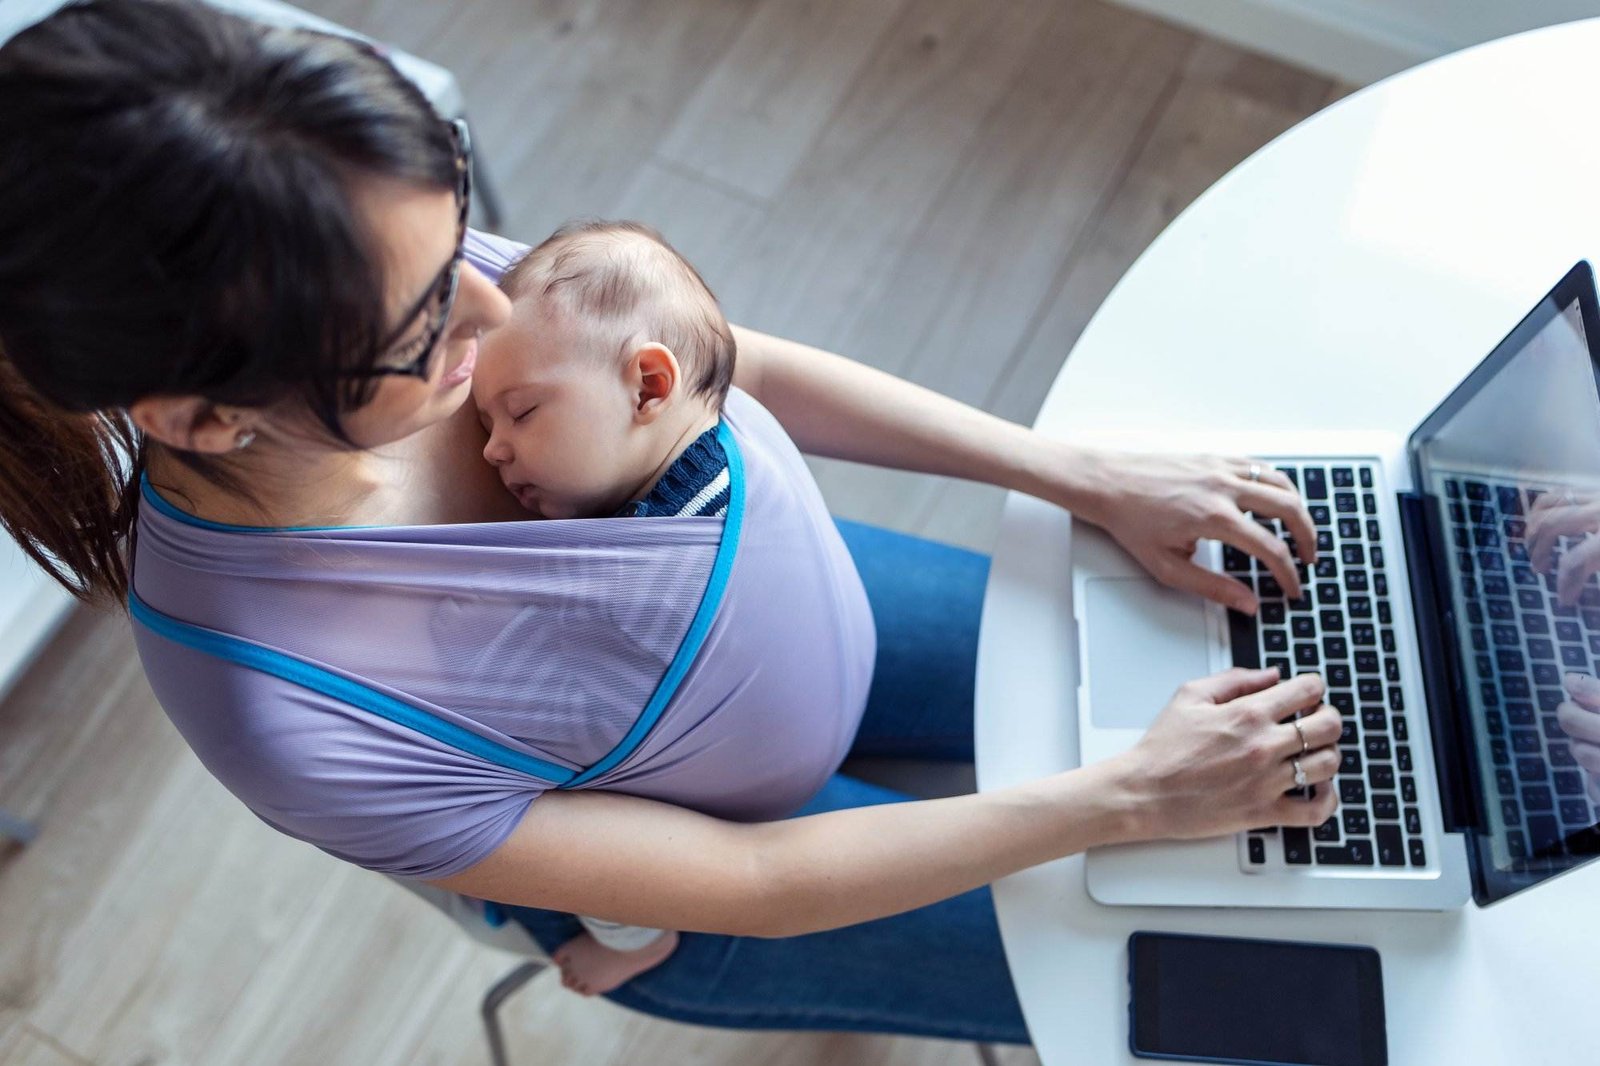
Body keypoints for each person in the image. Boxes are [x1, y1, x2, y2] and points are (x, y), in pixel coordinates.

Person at [0, 0, 1342, 1046]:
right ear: (205, 418)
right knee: (1233, 978)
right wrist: (1122, 798)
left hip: (800, 595)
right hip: (743, 866)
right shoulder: (282, 705)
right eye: (424, 329)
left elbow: (715, 356)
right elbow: (752, 884)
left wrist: (1081, 474)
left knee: (1263, 654)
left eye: (462, 233)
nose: (490, 307)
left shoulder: (366, 256)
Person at [471, 219, 745, 992]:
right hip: (780, 706)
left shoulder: (656, 563)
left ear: (649, 387)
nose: (492, 448)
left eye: (520, 413)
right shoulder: (722, 451)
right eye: (488, 422)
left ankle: (638, 938)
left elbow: (558, 682)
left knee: (577, 800)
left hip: (706, 779)